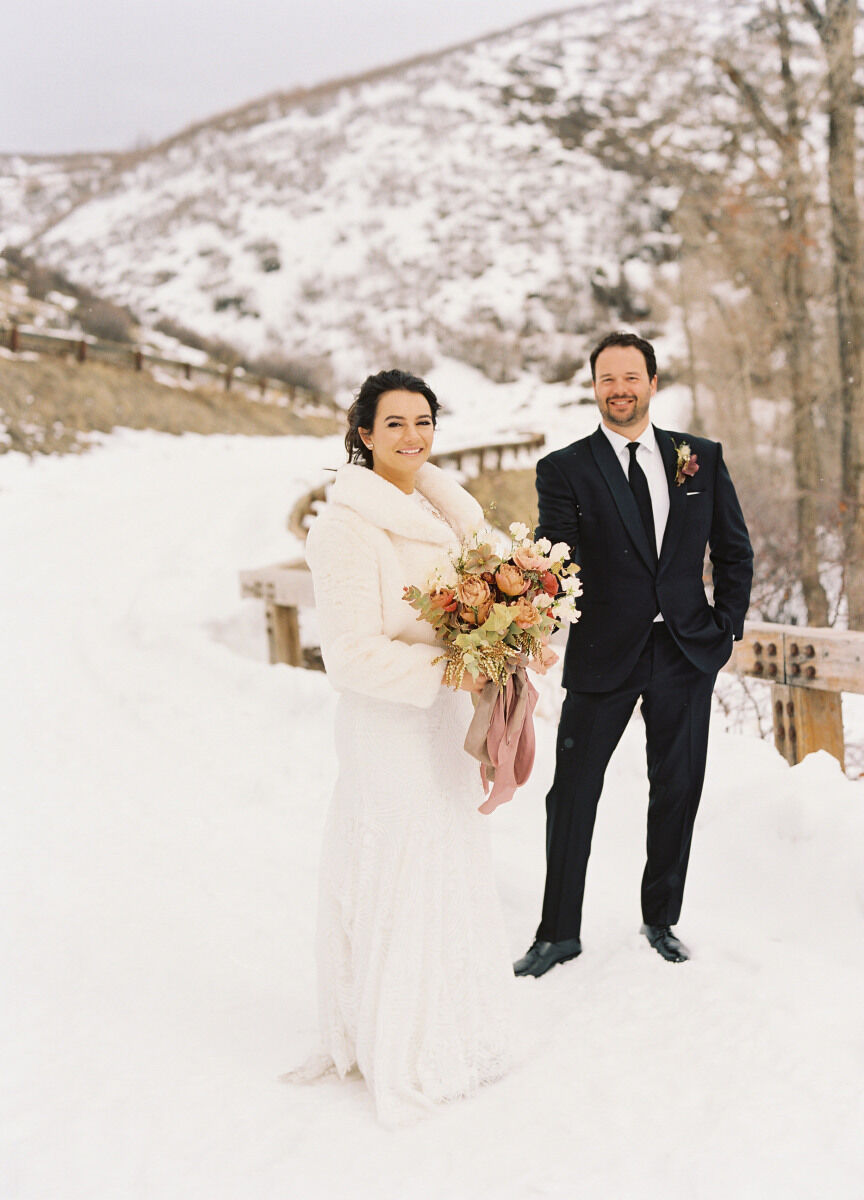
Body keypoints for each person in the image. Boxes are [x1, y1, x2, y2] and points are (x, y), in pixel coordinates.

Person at [301, 368, 515, 1125]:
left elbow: (493, 582)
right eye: (394, 423)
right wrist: (453, 665)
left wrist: (512, 633)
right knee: (399, 865)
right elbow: (351, 653)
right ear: (363, 433)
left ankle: (452, 1022)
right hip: (389, 724)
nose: (412, 436)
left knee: (447, 859)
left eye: (423, 421)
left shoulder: (442, 508)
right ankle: (401, 1041)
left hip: (440, 721)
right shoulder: (346, 525)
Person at [514, 332, 753, 976]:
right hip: (603, 653)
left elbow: (732, 550)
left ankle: (660, 919)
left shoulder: (698, 457)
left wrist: (725, 628)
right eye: (606, 379)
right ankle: (558, 932)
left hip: (684, 651)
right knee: (572, 793)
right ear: (594, 387)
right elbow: (556, 559)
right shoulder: (564, 468)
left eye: (630, 376)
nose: (618, 389)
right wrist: (524, 601)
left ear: (653, 381)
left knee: (677, 787)